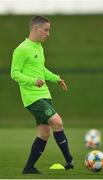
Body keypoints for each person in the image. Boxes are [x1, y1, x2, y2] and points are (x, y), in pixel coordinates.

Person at [11, 15, 73, 174]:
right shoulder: (22, 49)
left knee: (44, 133)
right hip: (33, 98)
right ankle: (69, 160)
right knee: (58, 122)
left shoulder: (39, 47)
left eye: (49, 30)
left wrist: (56, 79)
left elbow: (41, 70)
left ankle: (29, 167)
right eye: (46, 30)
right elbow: (14, 74)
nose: (48, 33)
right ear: (35, 28)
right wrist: (33, 81)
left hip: (45, 95)